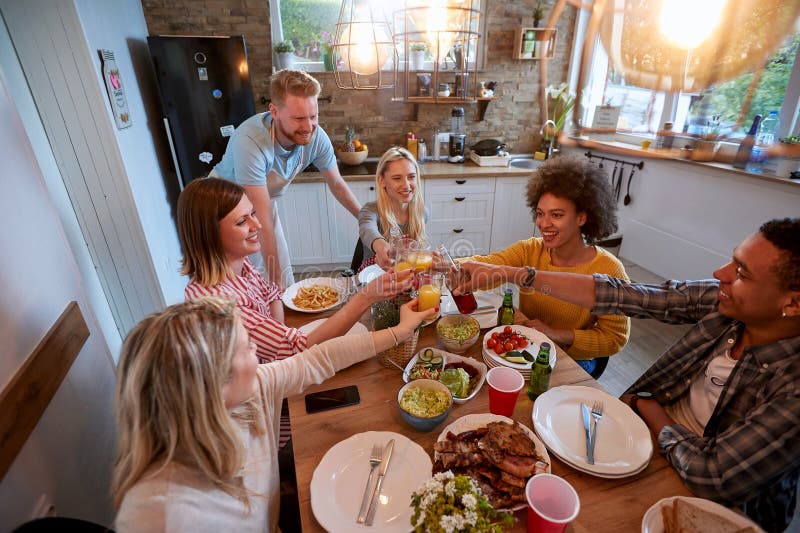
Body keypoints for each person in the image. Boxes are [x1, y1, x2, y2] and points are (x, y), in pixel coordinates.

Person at [454, 218, 800, 532]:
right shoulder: (725, 303)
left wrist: (647, 408)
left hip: (715, 504)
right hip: (642, 434)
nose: (720, 273)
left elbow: (713, 475)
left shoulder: (792, 386)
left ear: (793, 304)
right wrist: (516, 273)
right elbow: (626, 294)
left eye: (742, 273)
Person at [113, 296, 435, 532]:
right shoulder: (160, 515)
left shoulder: (246, 393)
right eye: (249, 349)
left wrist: (399, 333)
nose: (258, 355)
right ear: (211, 385)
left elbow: (315, 360)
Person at [469, 155, 629, 375]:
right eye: (540, 214)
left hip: (571, 358)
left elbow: (615, 338)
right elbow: (489, 264)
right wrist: (444, 262)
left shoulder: (610, 269)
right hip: (526, 348)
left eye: (557, 215)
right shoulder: (530, 249)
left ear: (582, 217)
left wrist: (558, 334)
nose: (544, 224)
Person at [210, 69, 361, 287]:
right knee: (249, 284)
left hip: (259, 205)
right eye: (299, 118)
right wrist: (275, 281)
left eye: (313, 116)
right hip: (224, 212)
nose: (308, 127)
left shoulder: (316, 137)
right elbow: (261, 217)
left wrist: (365, 220)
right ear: (274, 111)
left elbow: (337, 184)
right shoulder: (251, 142)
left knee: (282, 273)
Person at [358, 146, 429, 271]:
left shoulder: (422, 212)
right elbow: (367, 229)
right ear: (382, 181)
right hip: (372, 277)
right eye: (397, 178)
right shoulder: (370, 210)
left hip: (406, 274)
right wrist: (379, 244)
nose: (406, 185)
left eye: (411, 177)